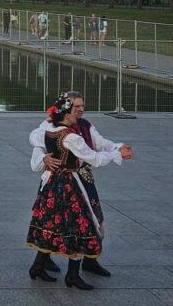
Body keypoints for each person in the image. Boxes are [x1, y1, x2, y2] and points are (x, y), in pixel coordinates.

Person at [26, 95, 132, 290]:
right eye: (75, 108)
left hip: (56, 184)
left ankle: (39, 265)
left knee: (53, 223)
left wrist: (115, 147)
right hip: (71, 185)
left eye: (82, 106)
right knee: (79, 226)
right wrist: (118, 155)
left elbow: (100, 143)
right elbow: (94, 158)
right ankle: (71, 275)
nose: (79, 111)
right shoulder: (70, 136)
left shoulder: (53, 132)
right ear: (66, 113)